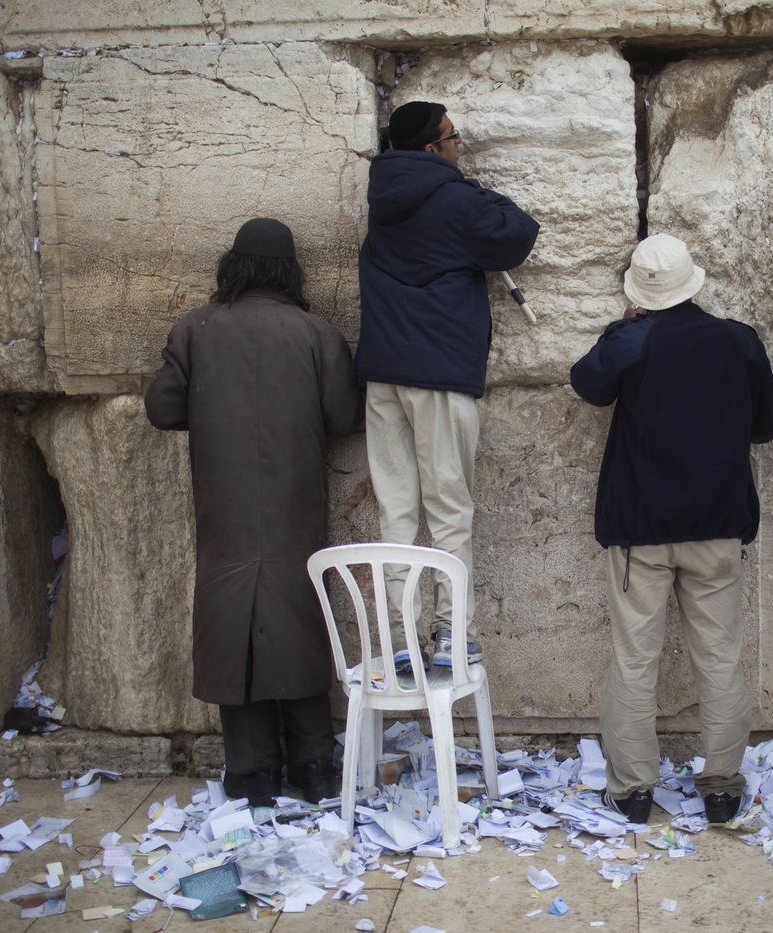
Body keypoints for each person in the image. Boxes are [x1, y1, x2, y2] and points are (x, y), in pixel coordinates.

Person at [145, 218, 363, 806]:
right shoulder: (317, 334)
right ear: (290, 274)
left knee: (232, 630)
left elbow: (162, 410)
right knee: (299, 623)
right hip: (294, 507)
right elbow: (344, 417)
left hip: (226, 509)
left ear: (232, 267)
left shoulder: (195, 329)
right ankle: (314, 767)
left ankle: (251, 772)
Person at [571, 234, 773, 824]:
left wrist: (621, 327)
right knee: (719, 659)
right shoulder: (739, 340)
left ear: (640, 292)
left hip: (639, 530)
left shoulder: (632, 339)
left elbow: (587, 384)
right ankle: (722, 788)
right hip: (717, 524)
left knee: (634, 660)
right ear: (693, 280)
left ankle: (633, 790)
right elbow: (766, 425)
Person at [357, 100, 539, 671]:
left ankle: (400, 640)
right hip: (439, 373)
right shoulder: (456, 199)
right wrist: (476, 188)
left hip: (384, 376)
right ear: (432, 148)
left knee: (396, 510)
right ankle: (452, 636)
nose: (461, 144)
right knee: (449, 508)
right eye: (454, 137)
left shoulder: (382, 199)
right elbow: (518, 235)